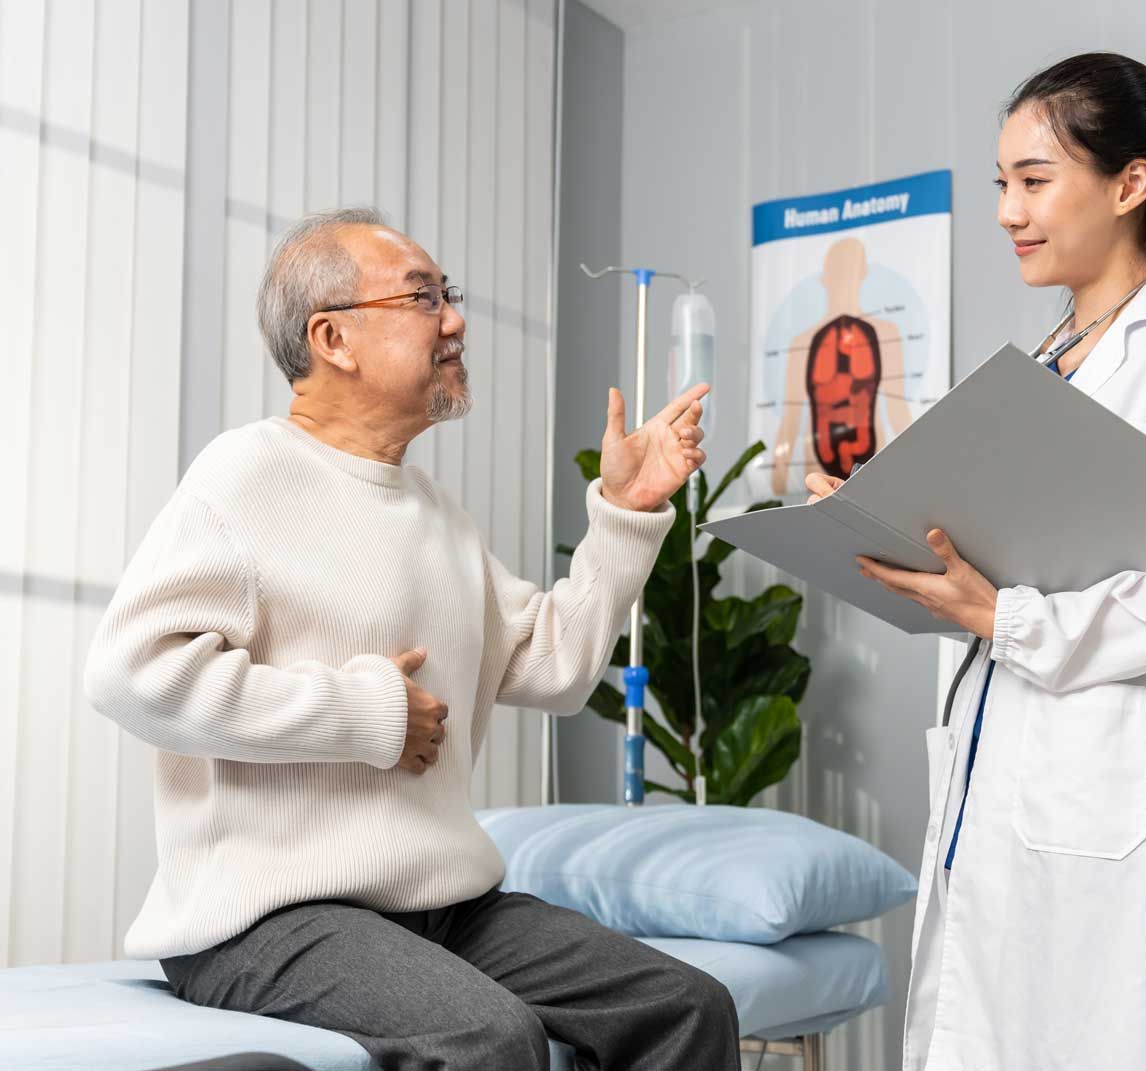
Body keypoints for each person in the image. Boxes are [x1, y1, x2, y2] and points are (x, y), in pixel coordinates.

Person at [84, 207, 738, 1071]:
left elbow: (557, 666)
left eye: (449, 294)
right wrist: (364, 712)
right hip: (268, 917)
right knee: (489, 1037)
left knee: (687, 1005)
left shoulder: (435, 512)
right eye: (424, 296)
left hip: (444, 907)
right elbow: (130, 670)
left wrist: (626, 512)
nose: (455, 318)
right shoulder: (245, 475)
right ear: (334, 338)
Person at [806, 53, 1146, 1070]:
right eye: (1001, 185)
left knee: (1126, 1035)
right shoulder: (1047, 361)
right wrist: (883, 528)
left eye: (1034, 180)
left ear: (1129, 184)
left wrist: (1013, 620)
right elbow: (1015, 563)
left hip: (1130, 805)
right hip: (1015, 783)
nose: (1008, 211)